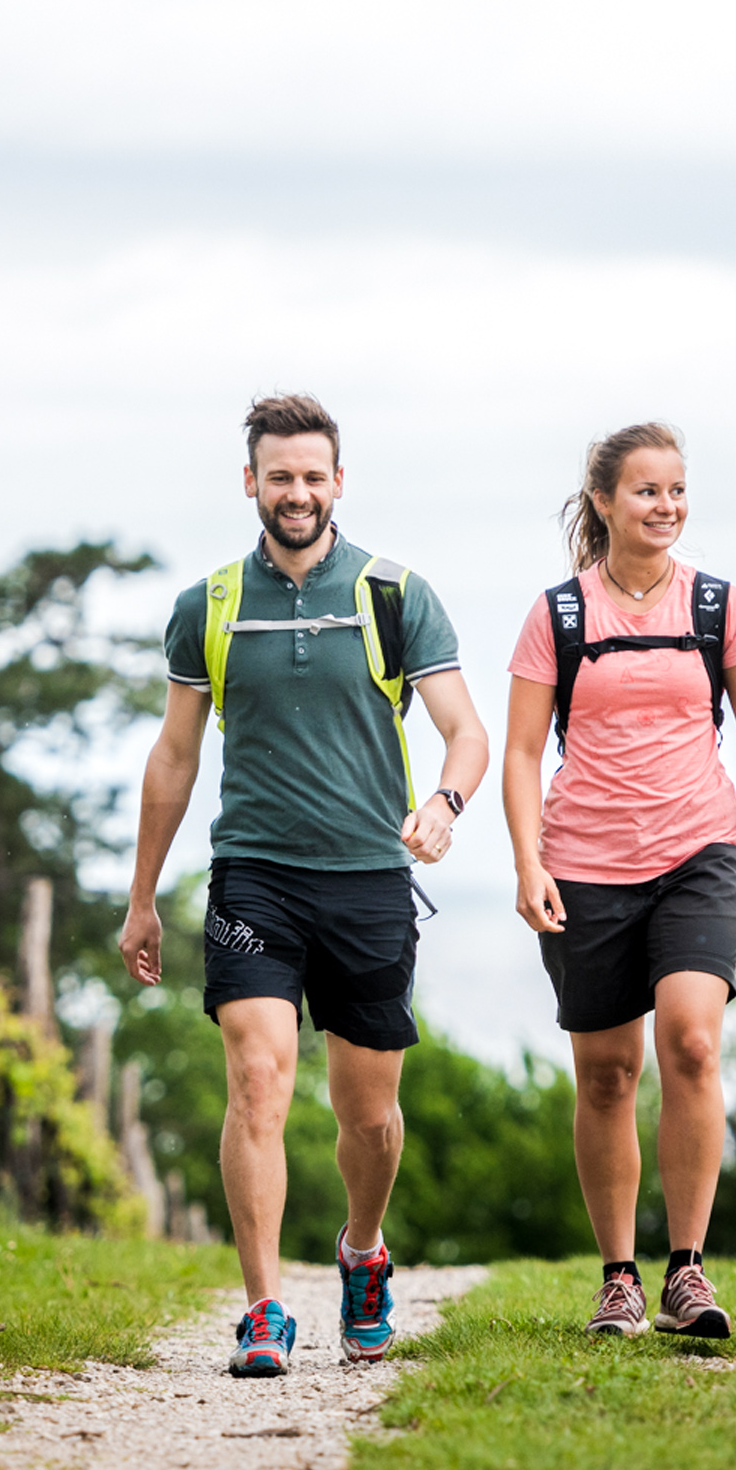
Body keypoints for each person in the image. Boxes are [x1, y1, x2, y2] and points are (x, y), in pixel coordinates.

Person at [122, 394, 489, 1377]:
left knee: (367, 1114)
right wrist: (143, 895)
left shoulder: (394, 594)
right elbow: (171, 757)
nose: (296, 493)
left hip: (370, 880)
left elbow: (466, 730)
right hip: (254, 879)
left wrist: (446, 805)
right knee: (256, 1083)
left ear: (339, 482)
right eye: (278, 476)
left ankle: (362, 1251)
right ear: (250, 482)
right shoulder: (207, 607)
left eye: (312, 476)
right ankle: (262, 1309)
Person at [502, 422, 736, 1340]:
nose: (666, 507)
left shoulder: (719, 608)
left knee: (692, 1044)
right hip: (584, 866)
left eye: (676, 491)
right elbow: (522, 752)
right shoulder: (558, 616)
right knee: (606, 1076)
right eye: (646, 491)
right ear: (603, 502)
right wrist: (528, 863)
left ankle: (687, 1272)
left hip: (701, 854)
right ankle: (617, 1278)